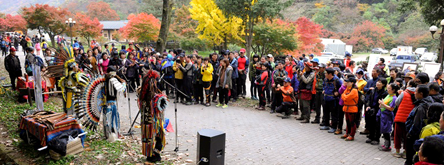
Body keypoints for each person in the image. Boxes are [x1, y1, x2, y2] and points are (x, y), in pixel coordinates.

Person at [405, 85, 434, 165]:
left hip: (415, 135)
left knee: (410, 157)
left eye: (416, 92)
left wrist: (410, 134)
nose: (414, 93)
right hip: (419, 133)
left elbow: (417, 123)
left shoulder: (421, 107)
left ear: (421, 94)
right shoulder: (429, 102)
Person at [393, 80, 417, 158]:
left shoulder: (404, 93)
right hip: (410, 119)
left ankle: (397, 151)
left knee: (397, 135)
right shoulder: (417, 94)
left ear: (409, 85)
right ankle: (405, 152)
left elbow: (396, 102)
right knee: (407, 136)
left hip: (400, 118)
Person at [103, 66, 126, 140]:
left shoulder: (105, 80)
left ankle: (108, 135)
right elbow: (121, 89)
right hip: (112, 103)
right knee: (112, 119)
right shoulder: (112, 79)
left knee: (108, 119)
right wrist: (124, 84)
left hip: (106, 103)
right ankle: (112, 135)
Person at [365, 79, 388, 145]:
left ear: (383, 84)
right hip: (371, 109)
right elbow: (369, 99)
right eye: (378, 82)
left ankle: (376, 139)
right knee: (370, 123)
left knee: (377, 125)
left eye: (380, 82)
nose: (378, 83)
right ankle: (371, 136)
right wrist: (368, 106)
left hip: (379, 110)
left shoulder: (384, 93)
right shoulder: (373, 90)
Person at [377, 83, 399, 151]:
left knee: (386, 130)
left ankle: (387, 145)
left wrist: (382, 104)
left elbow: (391, 108)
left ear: (393, 90)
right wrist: (381, 104)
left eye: (389, 88)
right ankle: (386, 143)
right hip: (383, 114)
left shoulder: (394, 98)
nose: (388, 89)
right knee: (383, 129)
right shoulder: (389, 95)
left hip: (387, 115)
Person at [362, 68, 382, 135]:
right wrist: (369, 89)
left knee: (372, 117)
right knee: (366, 115)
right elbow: (364, 88)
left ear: (378, 73)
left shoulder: (379, 81)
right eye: (372, 71)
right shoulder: (369, 81)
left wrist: (370, 89)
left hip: (374, 102)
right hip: (367, 100)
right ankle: (367, 128)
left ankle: (371, 131)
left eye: (374, 72)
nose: (372, 73)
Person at [341, 76, 359, 141]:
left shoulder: (354, 90)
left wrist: (344, 96)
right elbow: (342, 95)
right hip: (347, 108)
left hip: (352, 108)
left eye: (348, 82)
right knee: (347, 121)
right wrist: (344, 96)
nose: (347, 83)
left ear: (352, 83)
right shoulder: (348, 89)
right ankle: (347, 133)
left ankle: (352, 135)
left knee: (352, 122)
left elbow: (345, 98)